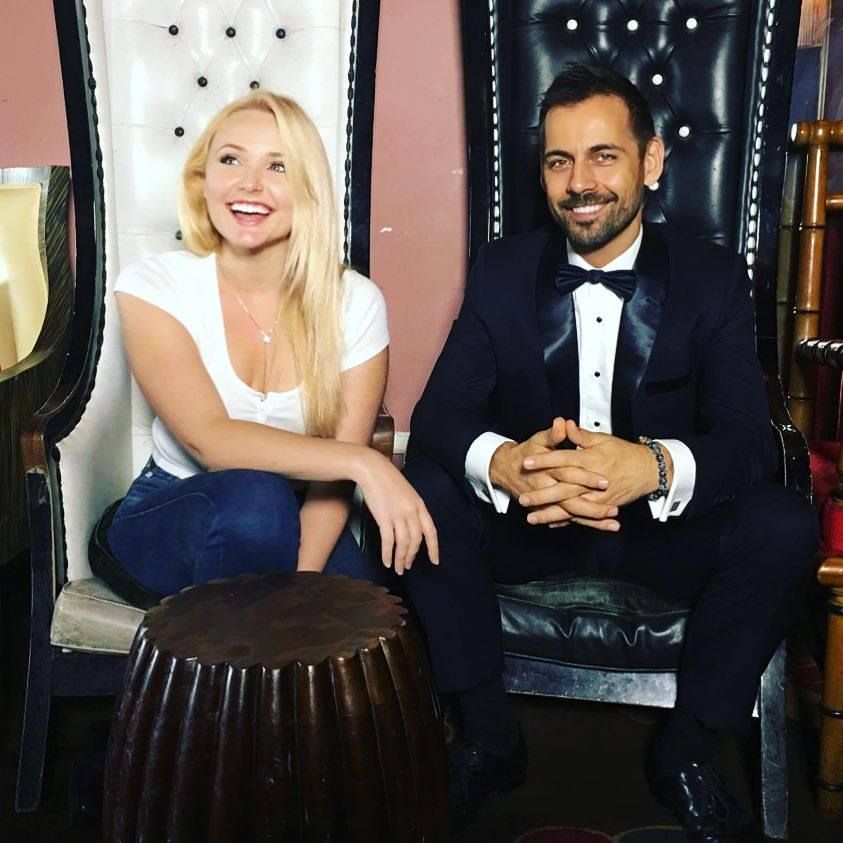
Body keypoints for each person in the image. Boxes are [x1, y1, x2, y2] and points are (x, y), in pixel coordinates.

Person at [402, 64, 818, 840]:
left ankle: (686, 750)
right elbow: (437, 416)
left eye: (603, 156)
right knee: (419, 490)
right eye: (558, 161)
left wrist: (649, 468)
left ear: (649, 162)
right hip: (530, 524)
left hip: (662, 533)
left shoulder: (713, 278)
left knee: (784, 523)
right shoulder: (500, 270)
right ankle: (488, 735)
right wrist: (508, 465)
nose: (579, 183)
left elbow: (746, 439)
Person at [99, 90, 437, 603]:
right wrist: (364, 462)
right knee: (257, 502)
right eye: (230, 160)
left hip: (300, 514)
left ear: (307, 188)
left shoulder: (355, 303)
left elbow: (330, 489)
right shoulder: (154, 286)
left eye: (278, 166)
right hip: (174, 508)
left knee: (356, 608)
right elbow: (211, 442)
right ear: (202, 179)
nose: (249, 183)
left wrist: (297, 590)